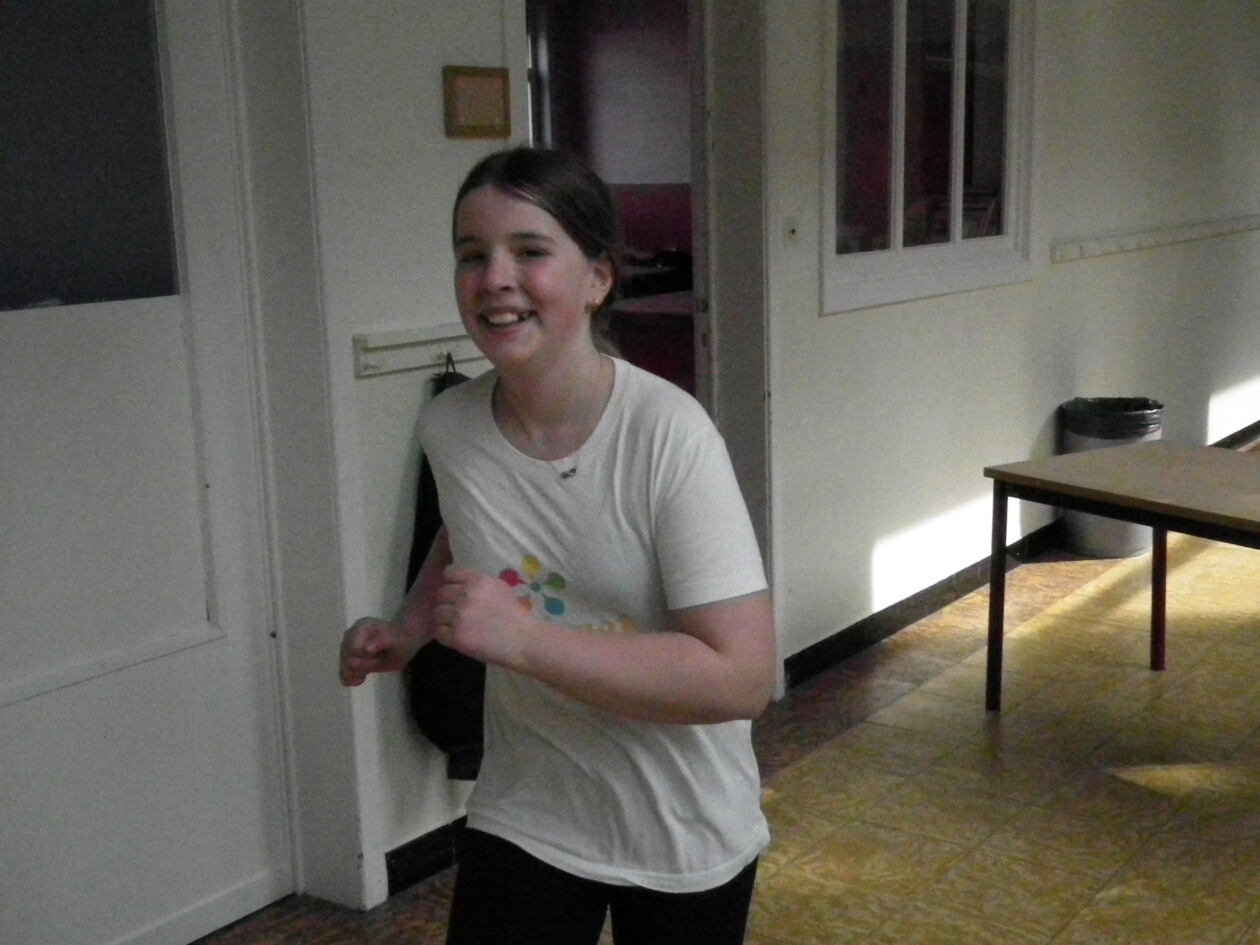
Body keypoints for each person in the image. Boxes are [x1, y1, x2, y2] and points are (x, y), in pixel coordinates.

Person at [339, 145, 775, 945]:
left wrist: (526, 640)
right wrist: (406, 628)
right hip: (530, 809)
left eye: (530, 251)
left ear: (597, 277)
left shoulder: (669, 435)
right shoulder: (450, 426)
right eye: (472, 254)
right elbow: (468, 528)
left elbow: (742, 677)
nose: (494, 277)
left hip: (681, 826)